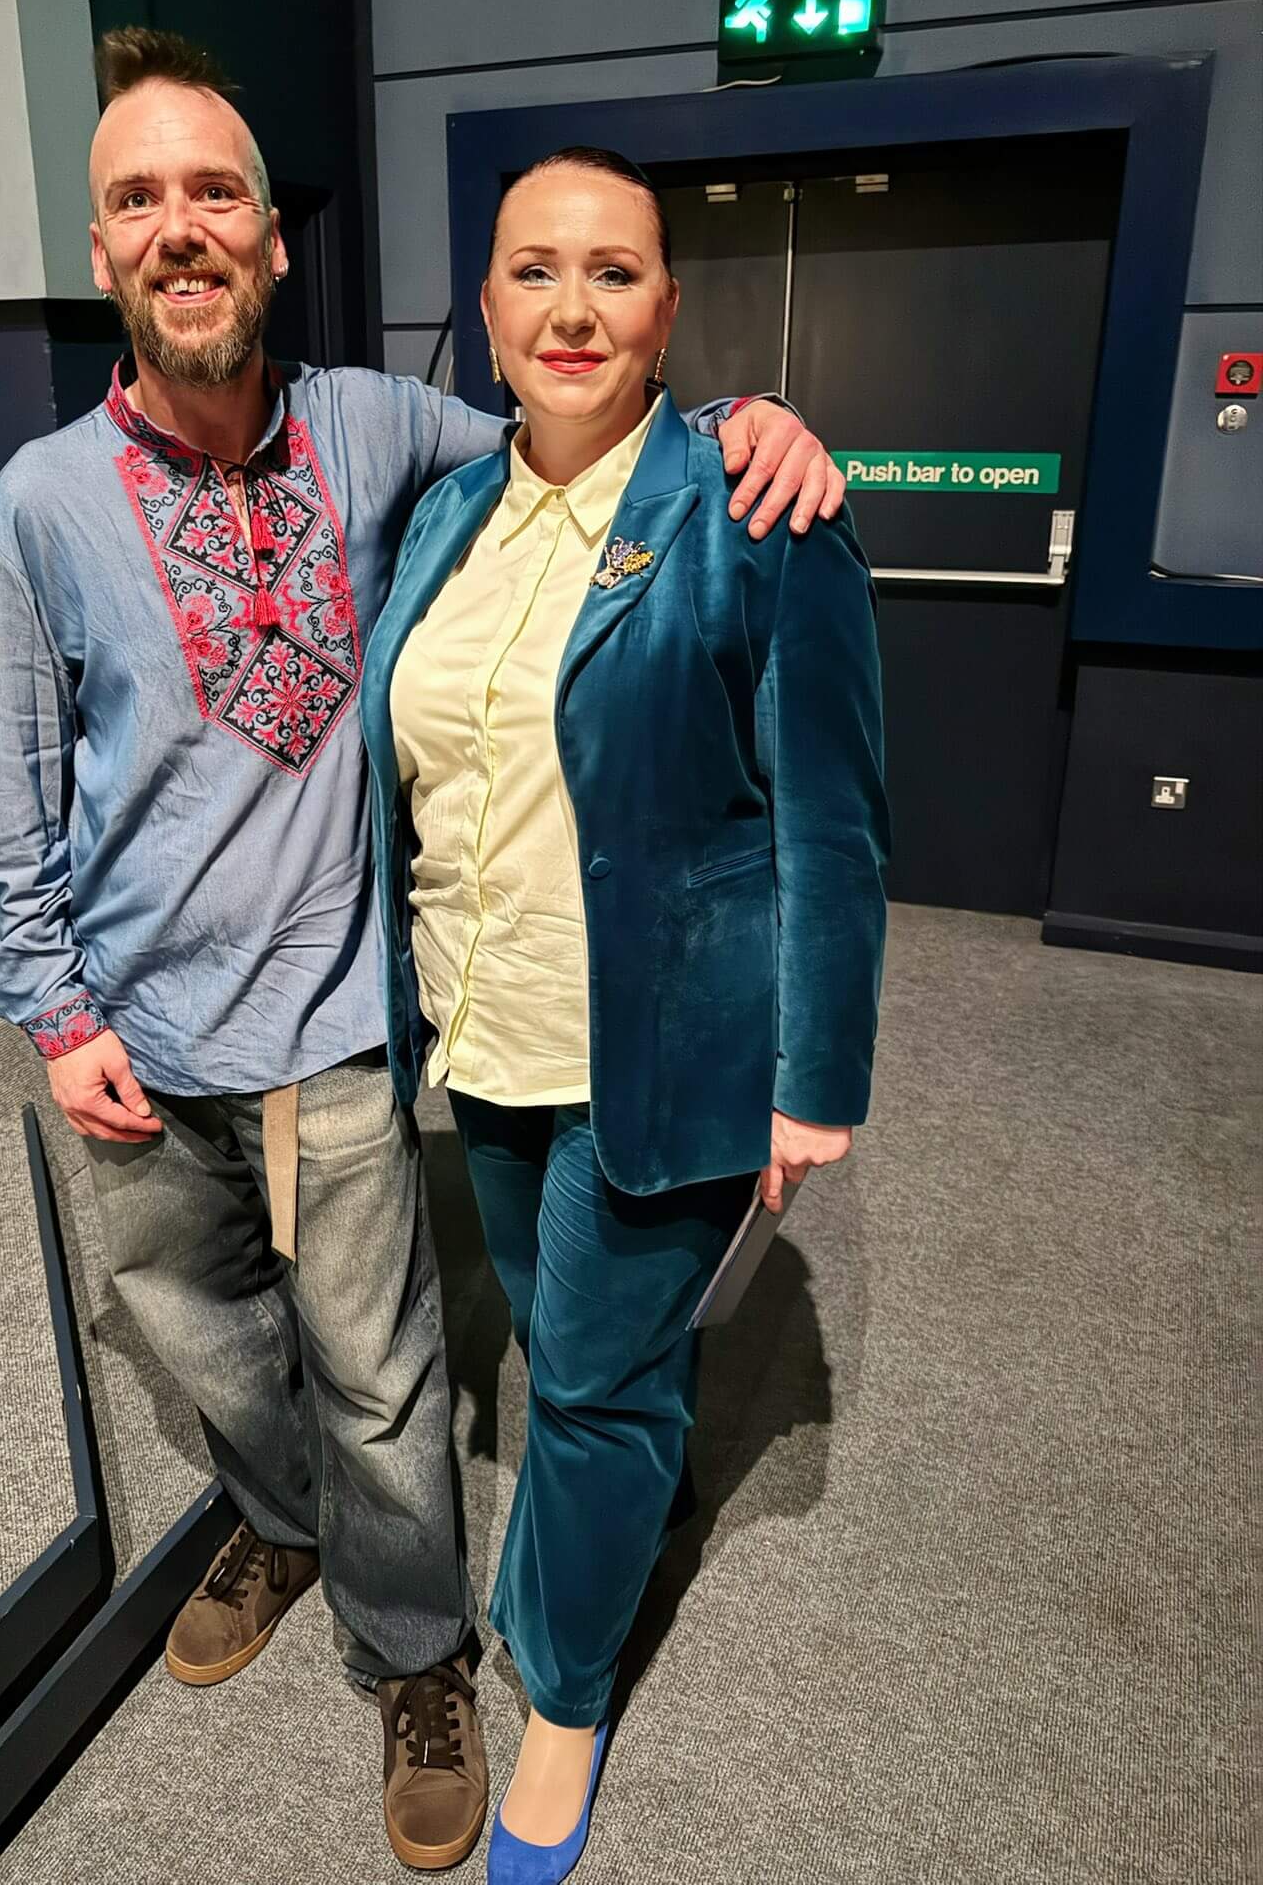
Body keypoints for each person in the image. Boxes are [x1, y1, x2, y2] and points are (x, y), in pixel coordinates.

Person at [0, 28, 849, 1873]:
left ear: (274, 237)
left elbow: (599, 434)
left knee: (387, 1384)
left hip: (341, 1028)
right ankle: (278, 1521)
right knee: (210, 1343)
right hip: (139, 1032)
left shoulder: (381, 431)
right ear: (102, 245)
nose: (182, 227)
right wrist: (51, 1009)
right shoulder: (43, 502)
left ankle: (417, 1650)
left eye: (217, 191)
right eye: (139, 199)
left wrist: (754, 420)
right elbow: (14, 778)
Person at [361, 146, 888, 1882]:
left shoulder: (756, 508)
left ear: (667, 311)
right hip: (482, 1029)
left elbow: (831, 818)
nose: (571, 309)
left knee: (582, 1385)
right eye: (535, 270)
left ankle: (567, 1698)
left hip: (660, 1046)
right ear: (487, 306)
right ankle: (631, 1474)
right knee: (566, 1334)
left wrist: (815, 1076)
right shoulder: (447, 511)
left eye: (613, 273)